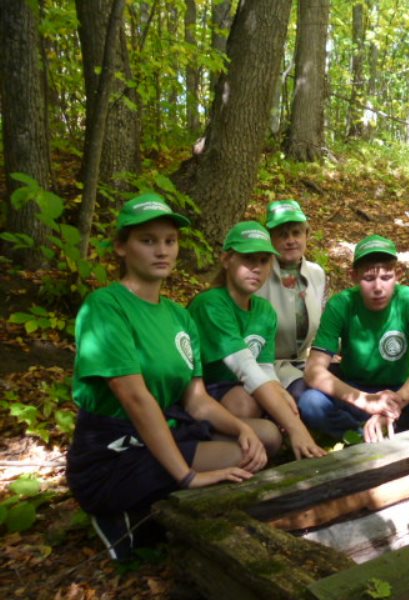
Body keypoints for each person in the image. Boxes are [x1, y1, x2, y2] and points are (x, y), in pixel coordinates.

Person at [66, 193, 272, 562]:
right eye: (147, 241)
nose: (162, 251)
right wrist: (187, 476)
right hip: (112, 452)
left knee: (264, 437)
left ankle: (154, 508)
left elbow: (196, 400)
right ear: (121, 247)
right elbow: (135, 399)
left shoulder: (180, 316)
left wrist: (242, 428)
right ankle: (126, 517)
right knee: (240, 461)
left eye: (169, 241)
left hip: (164, 428)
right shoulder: (105, 306)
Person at [189, 221, 326, 460]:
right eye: (248, 259)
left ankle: (248, 450)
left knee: (273, 427)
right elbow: (244, 366)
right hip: (202, 394)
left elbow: (265, 368)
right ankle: (201, 445)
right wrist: (296, 429)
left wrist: (280, 393)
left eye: (264, 261)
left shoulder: (264, 311)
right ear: (226, 260)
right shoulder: (211, 304)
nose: (256, 268)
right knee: (247, 404)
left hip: (239, 389)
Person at [299, 235, 409, 443]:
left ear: (398, 274)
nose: (378, 287)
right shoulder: (340, 305)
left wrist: (392, 405)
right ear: (354, 276)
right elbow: (312, 371)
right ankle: (364, 436)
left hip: (403, 391)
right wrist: (368, 401)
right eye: (369, 279)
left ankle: (380, 433)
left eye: (386, 277)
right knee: (311, 402)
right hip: (356, 392)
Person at [255, 200, 326, 401]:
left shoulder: (317, 274)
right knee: (313, 399)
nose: (291, 240)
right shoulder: (258, 274)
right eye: (282, 235)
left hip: (307, 362)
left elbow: (322, 325)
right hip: (270, 367)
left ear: (306, 235)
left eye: (296, 233)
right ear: (270, 239)